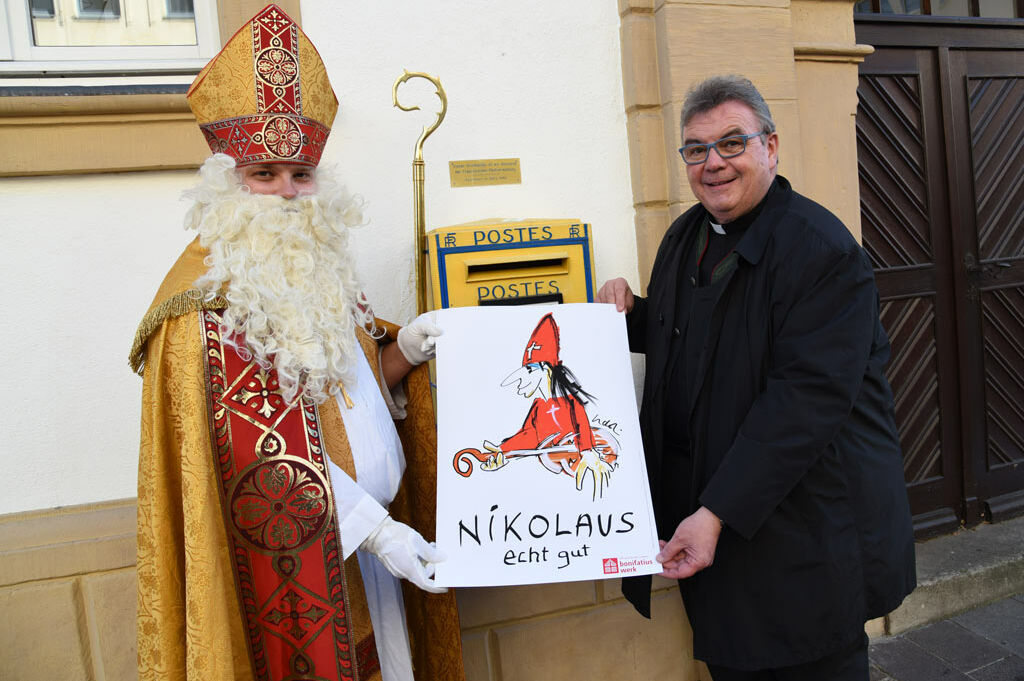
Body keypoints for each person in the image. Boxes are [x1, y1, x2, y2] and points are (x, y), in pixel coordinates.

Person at [129, 6, 463, 681]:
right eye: (265, 174)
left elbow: (358, 395)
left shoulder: (318, 268)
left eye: (301, 175)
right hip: (293, 572)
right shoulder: (205, 305)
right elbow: (256, 460)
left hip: (373, 563)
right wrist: (377, 529)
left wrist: (409, 353)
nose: (288, 194)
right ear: (228, 182)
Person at [596, 74, 915, 680]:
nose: (713, 163)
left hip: (805, 536)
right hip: (715, 526)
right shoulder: (684, 236)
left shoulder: (821, 249)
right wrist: (630, 314)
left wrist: (715, 513)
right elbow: (688, 337)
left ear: (771, 147)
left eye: (732, 143)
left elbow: (805, 402)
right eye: (696, 149)